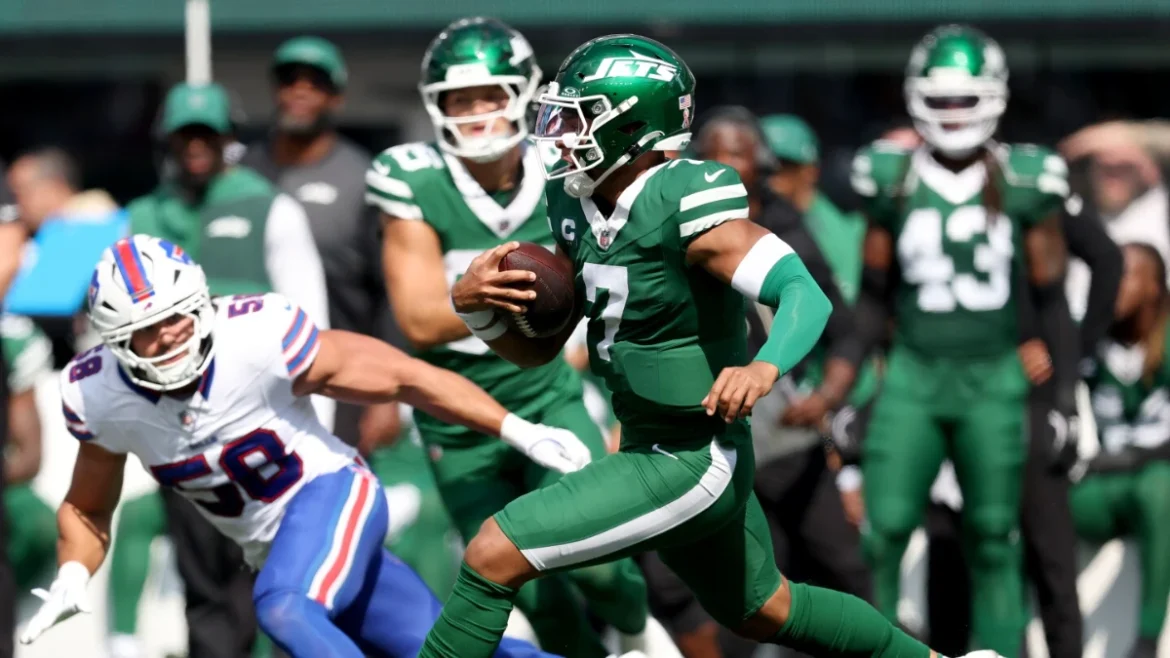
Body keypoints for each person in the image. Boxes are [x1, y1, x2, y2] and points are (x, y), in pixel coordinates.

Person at [417, 32, 996, 658]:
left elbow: (803, 292)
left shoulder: (683, 198)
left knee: (492, 552)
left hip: (689, 454)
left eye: (579, 118)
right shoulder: (575, 203)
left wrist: (764, 366)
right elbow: (539, 351)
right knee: (762, 608)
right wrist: (475, 307)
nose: (558, 133)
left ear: (634, 127)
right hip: (648, 438)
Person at [17, 234, 591, 658]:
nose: (168, 336)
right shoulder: (97, 394)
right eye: (147, 329)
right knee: (436, 647)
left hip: (331, 494)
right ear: (117, 343)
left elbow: (401, 376)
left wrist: (515, 428)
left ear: (201, 303)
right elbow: (89, 504)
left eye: (178, 318)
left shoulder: (256, 335)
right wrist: (73, 570)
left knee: (284, 607)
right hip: (274, 545)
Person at [370, 17, 673, 658]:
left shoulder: (564, 169)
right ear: (436, 107)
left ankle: (638, 626)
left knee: (595, 558)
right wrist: (473, 298)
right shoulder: (412, 177)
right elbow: (420, 320)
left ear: (524, 94)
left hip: (544, 395)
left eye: (490, 94)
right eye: (460, 99)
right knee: (527, 589)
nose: (477, 113)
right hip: (457, 419)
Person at [850, 25, 1069, 657]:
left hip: (993, 377)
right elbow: (871, 297)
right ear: (916, 100)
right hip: (914, 376)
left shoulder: (1029, 178)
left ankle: (997, 652)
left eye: (964, 100)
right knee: (884, 529)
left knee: (994, 533)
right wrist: (847, 381)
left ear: (994, 98)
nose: (952, 114)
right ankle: (880, 649)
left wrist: (1063, 395)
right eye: (940, 100)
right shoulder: (888, 175)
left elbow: (1052, 298)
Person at [128, 81, 333, 658]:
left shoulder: (269, 205)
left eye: (207, 135)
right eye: (184, 135)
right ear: (166, 141)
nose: (195, 147)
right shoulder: (144, 213)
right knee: (204, 589)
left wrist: (319, 425)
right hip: (180, 435)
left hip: (262, 432)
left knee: (273, 585)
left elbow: (309, 323)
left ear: (228, 139)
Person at [695, 110, 873, 609]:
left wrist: (826, 397)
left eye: (736, 154)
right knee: (728, 585)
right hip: (702, 425)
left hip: (777, 423)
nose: (722, 166)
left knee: (840, 566)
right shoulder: (675, 220)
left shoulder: (785, 224)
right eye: (712, 154)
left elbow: (843, 327)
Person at [242, 36, 397, 448]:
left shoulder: (363, 178)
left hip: (339, 367)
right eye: (289, 79)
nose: (300, 90)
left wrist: (385, 394)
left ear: (337, 98)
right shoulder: (243, 174)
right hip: (249, 369)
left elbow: (388, 292)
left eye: (316, 82)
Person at [1072, 242, 1170, 658]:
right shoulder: (1088, 339)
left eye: (1127, 275)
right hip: (1104, 486)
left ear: (1153, 287)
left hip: (1153, 480)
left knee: (1160, 489)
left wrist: (1135, 459)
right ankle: (1016, 635)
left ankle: (1146, 641)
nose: (1114, 285)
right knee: (1039, 503)